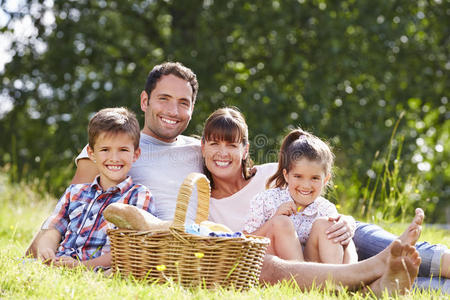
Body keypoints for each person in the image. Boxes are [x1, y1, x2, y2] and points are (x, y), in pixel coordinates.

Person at [25, 63, 441, 294]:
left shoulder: (199, 145)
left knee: (375, 237)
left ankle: (402, 261)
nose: (173, 109)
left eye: (184, 102)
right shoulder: (116, 149)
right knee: (270, 260)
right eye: (164, 99)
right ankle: (378, 276)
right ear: (144, 100)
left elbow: (274, 172)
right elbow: (71, 208)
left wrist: (340, 220)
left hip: (310, 221)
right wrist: (47, 246)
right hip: (201, 241)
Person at [203, 106, 449, 292]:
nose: (223, 153)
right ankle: (367, 279)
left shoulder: (272, 174)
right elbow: (243, 244)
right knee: (282, 223)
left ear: (245, 149)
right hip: (282, 261)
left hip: (325, 250)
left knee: (333, 225)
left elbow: (340, 228)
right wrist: (277, 218)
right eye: (214, 144)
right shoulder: (204, 197)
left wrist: (346, 223)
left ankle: (355, 274)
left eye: (232, 145)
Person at [26, 107, 153, 269]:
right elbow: (54, 229)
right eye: (105, 150)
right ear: (92, 153)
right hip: (61, 264)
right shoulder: (75, 193)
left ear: (135, 154)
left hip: (98, 269)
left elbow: (129, 248)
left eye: (123, 150)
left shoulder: (139, 196)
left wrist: (82, 266)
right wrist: (47, 250)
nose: (114, 158)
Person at [243, 128, 358, 264]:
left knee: (328, 226)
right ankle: (301, 277)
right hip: (279, 267)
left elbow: (347, 245)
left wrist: (351, 270)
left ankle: (337, 278)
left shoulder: (325, 209)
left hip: (315, 269)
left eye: (314, 178)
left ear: (325, 180)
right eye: (298, 176)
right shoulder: (266, 200)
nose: (306, 185)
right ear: (286, 175)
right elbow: (244, 242)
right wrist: (273, 221)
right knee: (281, 223)